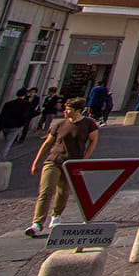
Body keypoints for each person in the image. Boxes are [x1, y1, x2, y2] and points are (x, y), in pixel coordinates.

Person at [26, 98, 99, 237]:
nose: (65, 111)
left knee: (63, 191)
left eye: (69, 109)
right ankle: (37, 224)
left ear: (78, 110)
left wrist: (84, 159)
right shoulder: (59, 124)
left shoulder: (88, 124)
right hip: (53, 160)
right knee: (46, 191)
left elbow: (93, 141)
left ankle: (56, 216)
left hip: (72, 163)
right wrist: (36, 161)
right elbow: (47, 143)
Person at [0, 89, 29, 162]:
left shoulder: (8, 103)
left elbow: (2, 116)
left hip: (5, 125)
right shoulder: (26, 104)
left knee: (4, 141)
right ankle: (0, 159)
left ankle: (0, 156)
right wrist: (21, 124)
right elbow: (24, 116)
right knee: (7, 143)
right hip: (15, 126)